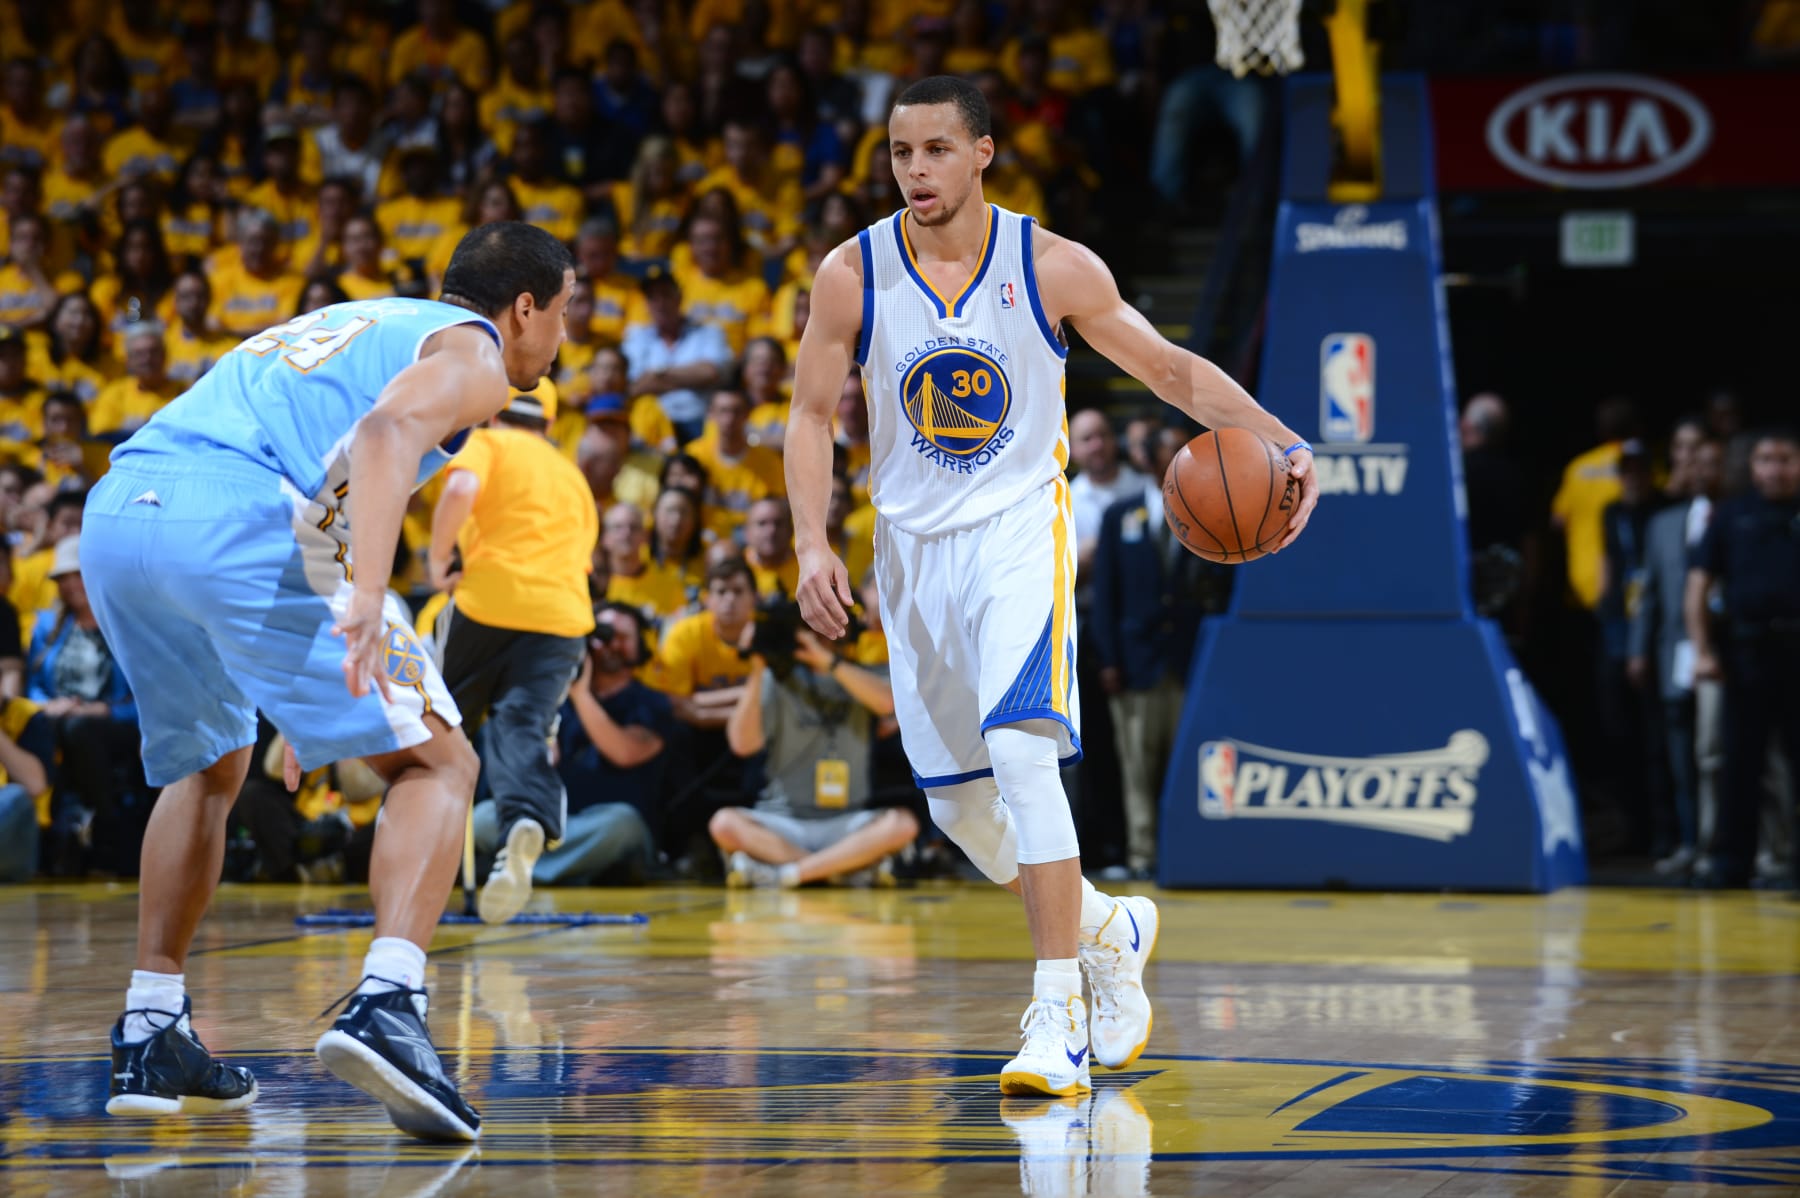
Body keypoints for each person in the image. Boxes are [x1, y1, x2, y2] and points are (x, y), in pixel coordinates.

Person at [786, 76, 1317, 1097]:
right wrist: (813, 542)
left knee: (1023, 763)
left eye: (937, 150)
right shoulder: (852, 274)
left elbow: (1169, 372)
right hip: (908, 556)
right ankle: (1114, 927)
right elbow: (810, 418)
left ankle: (1056, 1010)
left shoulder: (1054, 266)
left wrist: (1285, 438)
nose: (916, 172)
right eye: (901, 154)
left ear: (984, 152)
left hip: (1019, 538)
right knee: (965, 821)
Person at [79, 222, 574, 1140]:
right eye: (566, 313)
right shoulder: (475, 351)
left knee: (213, 767)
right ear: (525, 307)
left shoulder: (357, 319)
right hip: (245, 520)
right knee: (442, 764)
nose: (562, 339)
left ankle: (151, 1025)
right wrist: (368, 595)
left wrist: (300, 686)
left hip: (120, 518)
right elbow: (385, 434)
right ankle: (389, 1001)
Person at [427, 382, 598, 926]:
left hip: (488, 601)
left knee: (441, 726)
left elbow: (461, 490)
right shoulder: (574, 478)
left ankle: (419, 860)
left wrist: (436, 563)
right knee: (521, 724)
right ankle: (526, 818)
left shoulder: (488, 444)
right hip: (564, 619)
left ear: (495, 416)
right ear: (549, 426)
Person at [1090, 425, 1223, 878]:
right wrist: (1107, 659)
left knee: (1186, 765)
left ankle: (1185, 854)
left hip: (1187, 661)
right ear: (1147, 459)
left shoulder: (1212, 513)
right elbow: (1105, 595)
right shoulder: (1119, 515)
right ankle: (1142, 856)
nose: (1175, 459)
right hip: (1136, 663)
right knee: (1136, 768)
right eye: (1167, 452)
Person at [712, 609, 918, 888]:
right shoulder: (778, 680)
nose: (820, 637)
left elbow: (886, 704)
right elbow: (742, 744)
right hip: (783, 820)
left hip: (846, 823)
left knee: (903, 825)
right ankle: (841, 869)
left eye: (829, 629)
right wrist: (759, 666)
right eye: (812, 629)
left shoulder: (861, 677)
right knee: (724, 824)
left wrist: (828, 663)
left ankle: (788, 874)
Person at [472, 603, 662, 888]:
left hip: (600, 823)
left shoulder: (650, 701)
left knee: (623, 825)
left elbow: (625, 753)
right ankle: (571, 871)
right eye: (603, 635)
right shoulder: (553, 697)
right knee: (483, 817)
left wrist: (581, 694)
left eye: (623, 637)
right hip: (551, 824)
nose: (611, 644)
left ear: (642, 646)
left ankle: (526, 872)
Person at [1685, 429, 1800, 889]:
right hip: (1747, 653)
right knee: (1740, 763)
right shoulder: (1732, 516)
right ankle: (1733, 862)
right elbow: (1698, 586)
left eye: (1785, 458)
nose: (1775, 468)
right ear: (1751, 467)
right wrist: (1703, 651)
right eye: (1765, 459)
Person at [1630, 436, 1724, 877]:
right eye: (1687, 460)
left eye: (1707, 461)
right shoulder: (1663, 523)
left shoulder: (1733, 517)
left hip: (1724, 654)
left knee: (1720, 753)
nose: (1697, 469)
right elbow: (1647, 595)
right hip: (1674, 653)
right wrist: (1637, 650)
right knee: (1680, 754)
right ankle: (1690, 840)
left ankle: (1731, 845)